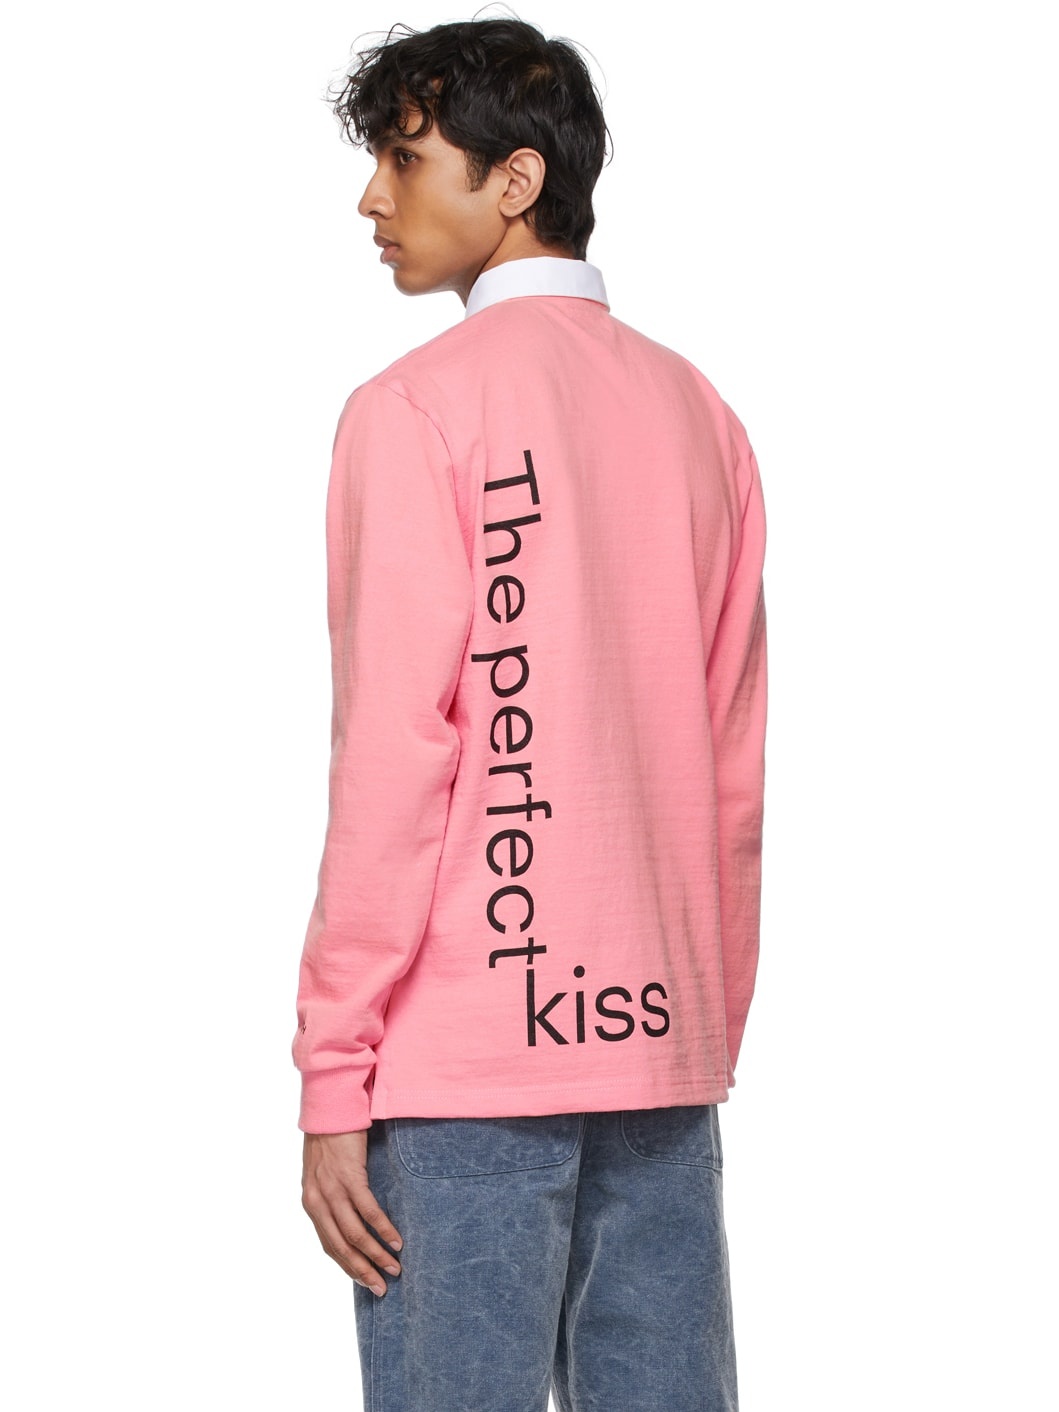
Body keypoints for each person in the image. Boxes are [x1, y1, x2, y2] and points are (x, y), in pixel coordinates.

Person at [291, 15, 768, 1411]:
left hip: (466, 1063)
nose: (371, 199)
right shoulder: (700, 415)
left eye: (404, 159)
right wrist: (699, 1022)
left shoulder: (414, 411)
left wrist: (334, 1072)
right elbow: (733, 764)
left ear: (513, 181)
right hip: (659, 1045)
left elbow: (394, 764)